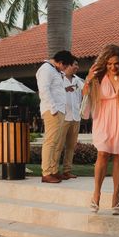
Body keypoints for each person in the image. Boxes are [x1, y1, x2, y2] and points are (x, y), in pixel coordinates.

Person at [82, 45, 119, 215]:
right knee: (102, 154)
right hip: (103, 117)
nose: (113, 67)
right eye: (110, 64)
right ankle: (96, 194)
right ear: (105, 63)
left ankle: (115, 197)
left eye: (117, 64)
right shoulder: (98, 76)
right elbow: (85, 94)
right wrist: (88, 79)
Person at [35, 50, 76, 183]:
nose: (65, 69)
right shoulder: (46, 69)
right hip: (52, 111)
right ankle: (46, 172)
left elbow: (56, 90)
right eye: (65, 66)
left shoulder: (56, 71)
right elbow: (44, 90)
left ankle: (53, 170)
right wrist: (53, 109)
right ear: (60, 62)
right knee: (50, 142)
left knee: (57, 142)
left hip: (59, 110)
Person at [58, 59, 83, 179]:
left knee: (71, 146)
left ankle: (67, 171)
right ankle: (53, 170)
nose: (77, 67)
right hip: (63, 116)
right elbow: (53, 93)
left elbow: (86, 92)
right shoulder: (59, 78)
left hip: (76, 117)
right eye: (75, 64)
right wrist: (65, 90)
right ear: (68, 65)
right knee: (58, 145)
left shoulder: (78, 80)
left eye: (77, 65)